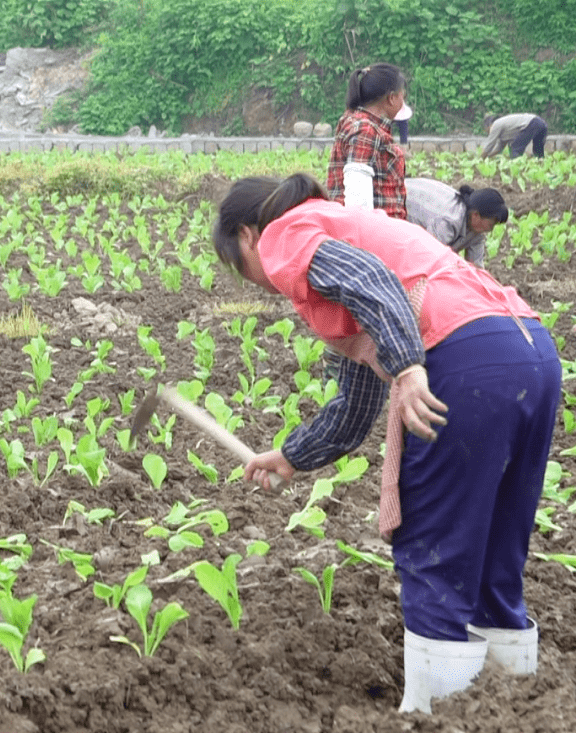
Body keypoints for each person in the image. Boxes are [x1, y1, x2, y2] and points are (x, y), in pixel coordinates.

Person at [212, 173, 559, 714]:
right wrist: (292, 455)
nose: (256, 282)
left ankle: (433, 717)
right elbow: (354, 406)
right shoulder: (347, 231)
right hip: (529, 348)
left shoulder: (285, 232)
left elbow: (375, 284)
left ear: (247, 234)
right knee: (495, 550)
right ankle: (514, 708)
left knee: (433, 550)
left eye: (239, 265)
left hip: (462, 358)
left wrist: (409, 366)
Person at [327, 63, 409, 219]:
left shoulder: (360, 123)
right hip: (374, 235)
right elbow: (358, 204)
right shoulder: (365, 131)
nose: (402, 105)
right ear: (391, 98)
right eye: (402, 98)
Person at [405, 178, 508, 267]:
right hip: (400, 204)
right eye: (491, 224)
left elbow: (476, 268)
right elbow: (429, 257)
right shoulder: (449, 220)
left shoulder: (477, 232)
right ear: (476, 215)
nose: (490, 230)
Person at [482, 113, 548, 158]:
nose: (488, 133)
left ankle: (517, 166)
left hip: (531, 123)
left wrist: (481, 158)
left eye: (486, 130)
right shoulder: (503, 128)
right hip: (541, 123)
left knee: (515, 149)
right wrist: (489, 156)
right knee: (538, 153)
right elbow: (500, 148)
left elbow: (490, 144)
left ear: (488, 126)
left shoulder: (495, 125)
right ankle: (541, 167)